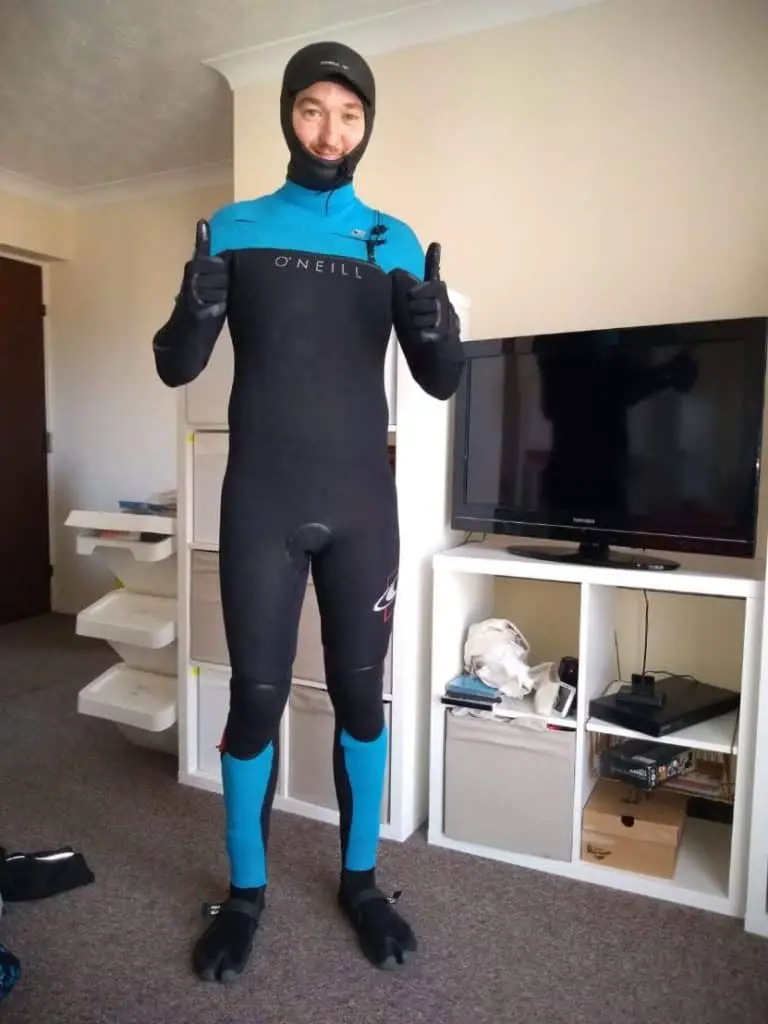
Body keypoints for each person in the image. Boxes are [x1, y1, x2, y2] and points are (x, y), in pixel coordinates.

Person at [152, 40, 465, 984]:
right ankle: (246, 893)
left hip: (364, 507)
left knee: (361, 700)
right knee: (255, 698)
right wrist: (192, 309)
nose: (331, 131)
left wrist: (437, 325)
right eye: (313, 110)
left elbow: (442, 381)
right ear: (287, 115)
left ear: (368, 126)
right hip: (262, 504)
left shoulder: (396, 240)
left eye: (351, 114)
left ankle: (360, 882)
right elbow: (176, 364)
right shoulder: (236, 229)